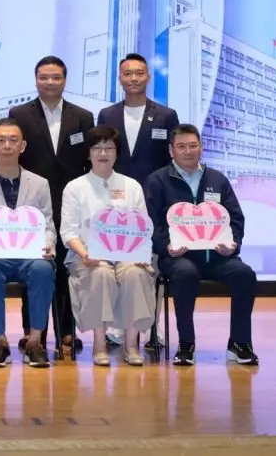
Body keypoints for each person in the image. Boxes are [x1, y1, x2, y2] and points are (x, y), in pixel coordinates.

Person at [144, 124, 257, 366]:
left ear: (201, 148)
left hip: (217, 256)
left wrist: (233, 244)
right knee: (185, 274)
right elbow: (151, 223)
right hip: (178, 257)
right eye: (181, 146)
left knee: (245, 275)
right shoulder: (157, 181)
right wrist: (167, 246)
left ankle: (240, 343)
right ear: (171, 150)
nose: (188, 151)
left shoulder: (217, 179)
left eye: (193, 146)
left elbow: (235, 218)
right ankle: (186, 344)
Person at [9, 56, 93, 353]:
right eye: (44, 77)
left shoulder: (83, 117)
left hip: (71, 203)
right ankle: (34, 332)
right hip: (32, 204)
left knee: (67, 268)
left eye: (56, 77)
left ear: (65, 80)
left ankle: (67, 331)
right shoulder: (19, 114)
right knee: (34, 267)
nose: (50, 82)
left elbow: (88, 162)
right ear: (36, 80)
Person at [96, 53, 179, 349]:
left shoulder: (166, 116)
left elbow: (172, 160)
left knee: (150, 264)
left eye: (139, 73)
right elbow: (102, 155)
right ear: (119, 78)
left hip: (155, 202)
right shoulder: (107, 115)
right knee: (118, 261)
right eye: (127, 73)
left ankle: (152, 327)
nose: (133, 78)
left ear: (148, 77)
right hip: (116, 200)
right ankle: (119, 327)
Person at [60, 125, 156, 367]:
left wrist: (139, 253)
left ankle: (131, 344)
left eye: (109, 148)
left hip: (128, 255)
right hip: (87, 254)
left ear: (117, 153)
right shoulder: (75, 187)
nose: (103, 153)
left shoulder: (131, 186)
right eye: (97, 148)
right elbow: (68, 231)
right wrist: (85, 254)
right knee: (100, 273)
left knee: (135, 274)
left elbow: (142, 226)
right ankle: (100, 344)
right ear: (89, 153)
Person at [0, 118, 56, 368]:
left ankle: (35, 342)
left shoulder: (39, 184)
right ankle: (0, 342)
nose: (7, 145)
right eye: (1, 140)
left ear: (22, 146)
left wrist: (49, 245)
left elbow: (48, 225)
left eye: (13, 140)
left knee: (43, 269)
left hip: (31, 255)